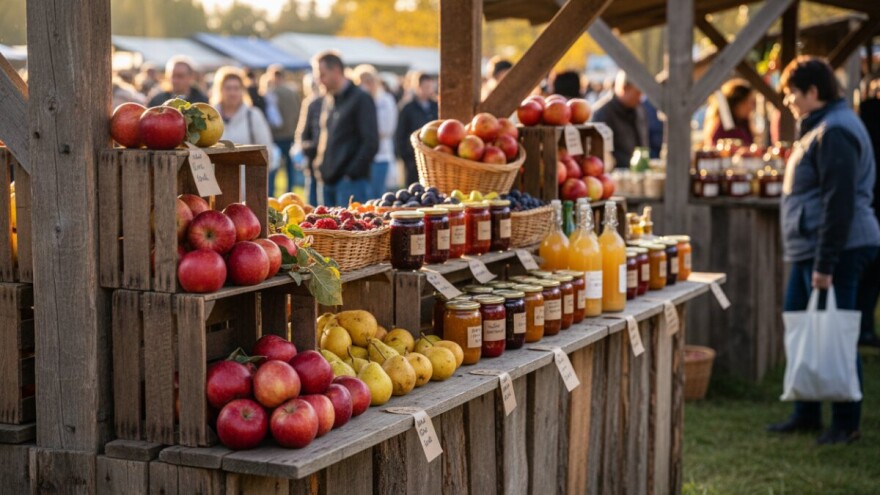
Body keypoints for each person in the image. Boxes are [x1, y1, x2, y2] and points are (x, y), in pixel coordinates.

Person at [768, 56, 880, 445]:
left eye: (792, 95)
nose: (789, 103)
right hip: (814, 247)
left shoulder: (834, 132)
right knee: (804, 325)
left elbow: (840, 203)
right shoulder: (822, 127)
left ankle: (846, 422)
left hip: (837, 249)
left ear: (813, 92)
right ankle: (807, 411)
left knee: (836, 333)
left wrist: (825, 263)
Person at [309, 51, 379, 207]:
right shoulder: (328, 100)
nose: (319, 80)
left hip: (349, 184)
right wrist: (318, 167)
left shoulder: (361, 99)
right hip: (326, 182)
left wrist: (350, 174)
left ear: (336, 71)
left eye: (322, 75)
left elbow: (371, 142)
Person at [857, 76, 880, 348]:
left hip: (869, 206)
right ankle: (863, 329)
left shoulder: (863, 121)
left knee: (869, 277)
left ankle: (863, 328)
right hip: (871, 209)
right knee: (871, 278)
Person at [211, 66, 275, 162]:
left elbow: (267, 151)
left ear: (242, 91)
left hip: (246, 174)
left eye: (236, 88)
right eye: (228, 88)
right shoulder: (210, 117)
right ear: (220, 90)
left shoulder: (253, 115)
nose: (232, 93)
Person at [354, 64, 398, 198]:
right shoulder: (356, 101)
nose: (366, 86)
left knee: (377, 195)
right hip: (360, 155)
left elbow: (387, 128)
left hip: (380, 155)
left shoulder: (385, 100)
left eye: (369, 81)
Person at [591, 71, 649, 168]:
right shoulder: (603, 113)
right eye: (638, 92)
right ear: (624, 88)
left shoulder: (639, 110)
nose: (640, 97)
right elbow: (601, 152)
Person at [262, 65, 303, 197]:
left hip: (276, 136)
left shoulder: (270, 93)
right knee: (290, 170)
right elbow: (298, 112)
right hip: (290, 134)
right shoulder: (292, 92)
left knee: (273, 169)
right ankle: (290, 193)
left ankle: (271, 195)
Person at [396, 73, 438, 186]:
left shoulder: (436, 106)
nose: (428, 90)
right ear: (417, 87)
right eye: (425, 87)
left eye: (430, 87)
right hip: (412, 158)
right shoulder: (407, 108)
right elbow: (400, 134)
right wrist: (405, 156)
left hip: (433, 158)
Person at [702, 79, 756, 147]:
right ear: (737, 104)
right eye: (748, 102)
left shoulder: (744, 124)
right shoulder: (722, 127)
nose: (751, 107)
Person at [296, 74, 324, 206]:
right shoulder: (311, 103)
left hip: (327, 157)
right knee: (313, 197)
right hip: (313, 154)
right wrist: (305, 147)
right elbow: (302, 131)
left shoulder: (333, 101)